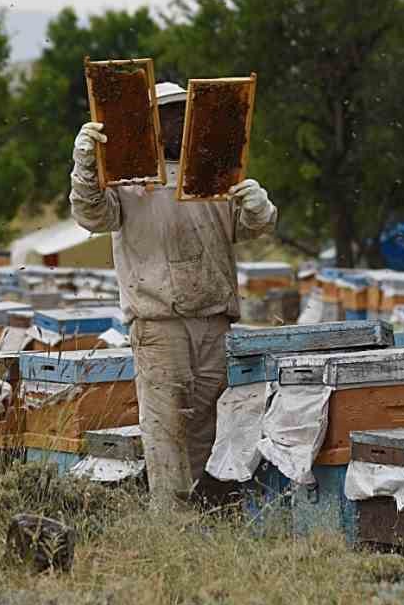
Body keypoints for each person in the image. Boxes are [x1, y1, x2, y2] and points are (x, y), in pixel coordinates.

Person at [70, 81, 278, 508]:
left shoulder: (215, 173)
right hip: (158, 323)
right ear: (150, 123)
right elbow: (91, 213)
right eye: (167, 112)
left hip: (215, 320)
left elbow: (247, 226)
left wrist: (258, 206)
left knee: (208, 427)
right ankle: (171, 524)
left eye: (183, 111)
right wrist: (86, 168)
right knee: (165, 429)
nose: (177, 120)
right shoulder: (127, 179)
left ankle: (205, 517)